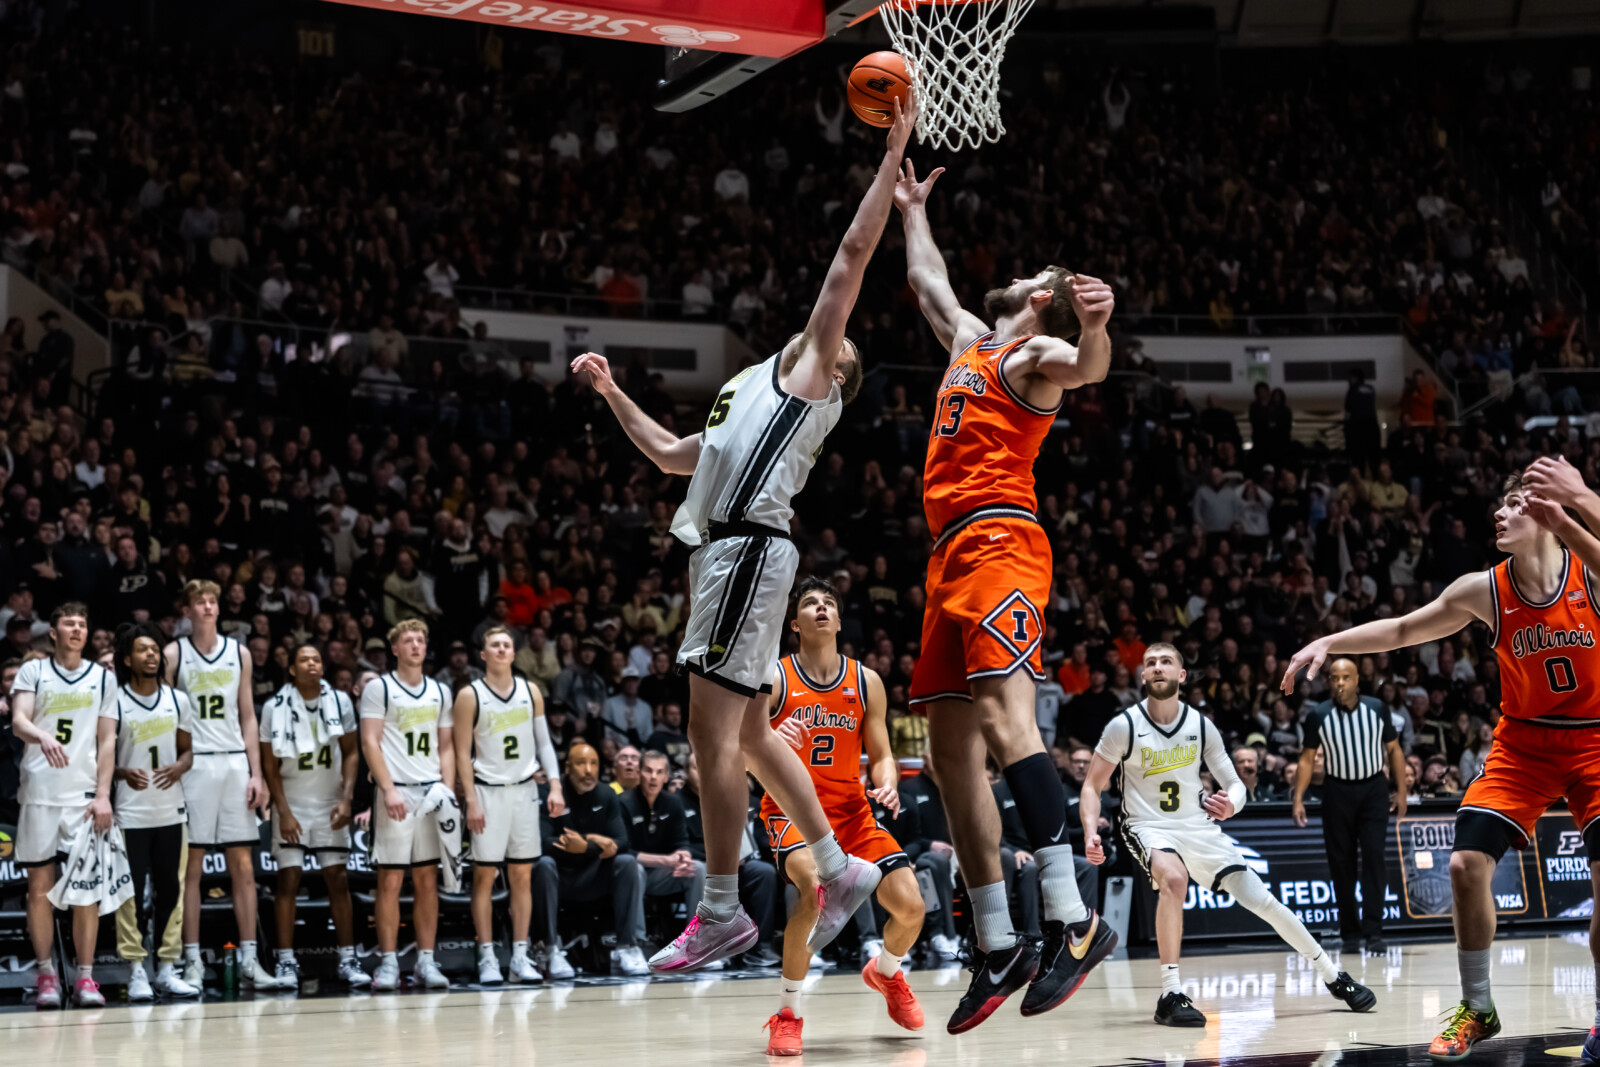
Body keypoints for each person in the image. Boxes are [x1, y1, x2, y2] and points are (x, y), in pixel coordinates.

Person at [568, 99, 918, 975]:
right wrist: (611, 392)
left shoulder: (808, 382)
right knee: (757, 733)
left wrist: (889, 160)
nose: (833, 342)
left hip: (747, 552)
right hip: (735, 552)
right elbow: (670, 455)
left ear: (834, 377)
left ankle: (722, 909)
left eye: (841, 351)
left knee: (709, 738)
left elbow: (850, 259)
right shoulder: (746, 388)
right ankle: (838, 867)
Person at [895, 157, 1120, 1031]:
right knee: (949, 754)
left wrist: (1095, 328)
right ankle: (997, 941)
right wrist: (911, 209)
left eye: (1034, 274)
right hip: (947, 556)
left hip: (1000, 540)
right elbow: (927, 283)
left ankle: (1073, 917)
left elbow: (1087, 369)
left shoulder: (1033, 353)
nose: (1018, 273)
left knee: (1003, 719)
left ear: (1044, 297)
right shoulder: (971, 341)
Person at [1280, 457, 1600, 1061]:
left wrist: (1580, 500)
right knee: (1463, 864)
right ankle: (1477, 1007)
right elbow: (1404, 629)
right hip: (1524, 743)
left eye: (1513, 504)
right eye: (1500, 504)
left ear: (1546, 516)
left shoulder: (1588, 569)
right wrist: (1330, 640)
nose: (1499, 513)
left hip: (1595, 741)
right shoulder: (1485, 589)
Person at [1084, 644, 1374, 1027]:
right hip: (1146, 824)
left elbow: (1236, 785)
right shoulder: (1123, 726)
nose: (1157, 667)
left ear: (1181, 675)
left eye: (1166, 662)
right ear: (1142, 676)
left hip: (1197, 826)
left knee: (1264, 901)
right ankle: (1170, 993)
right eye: (1150, 663)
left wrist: (1231, 805)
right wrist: (1090, 831)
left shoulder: (1200, 725)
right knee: (1175, 878)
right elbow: (1092, 787)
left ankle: (1333, 976)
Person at [758, 578, 925, 1055]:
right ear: (795, 624)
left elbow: (883, 754)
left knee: (912, 907)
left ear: (837, 620)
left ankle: (886, 973)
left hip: (852, 812)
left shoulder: (866, 681)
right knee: (813, 890)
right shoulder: (775, 678)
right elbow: (741, 752)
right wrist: (772, 740)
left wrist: (887, 783)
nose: (821, 608)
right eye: (810, 603)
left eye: (828, 603)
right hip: (791, 811)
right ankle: (787, 1014)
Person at [164, 580, 278, 990]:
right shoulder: (173, 653)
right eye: (201, 602)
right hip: (194, 764)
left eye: (213, 601)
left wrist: (256, 773)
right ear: (187, 610)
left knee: (243, 865)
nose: (209, 607)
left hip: (232, 762)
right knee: (191, 868)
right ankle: (192, 960)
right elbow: (165, 714)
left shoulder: (239, 653)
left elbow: (248, 715)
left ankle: (250, 958)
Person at [11, 602, 117, 1007]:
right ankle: (46, 976)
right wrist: (42, 735)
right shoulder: (33, 671)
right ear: (53, 632)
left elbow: (107, 741)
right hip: (40, 793)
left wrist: (104, 794)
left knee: (85, 892)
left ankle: (85, 978)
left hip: (83, 798)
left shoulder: (103, 678)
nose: (77, 629)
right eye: (69, 624)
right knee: (39, 889)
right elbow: (19, 721)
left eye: (82, 624)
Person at [453, 626, 564, 985]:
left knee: (521, 876)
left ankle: (519, 956)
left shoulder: (531, 691)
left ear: (513, 654)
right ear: (483, 654)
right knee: (484, 876)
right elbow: (461, 753)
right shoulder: (470, 695)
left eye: (506, 645)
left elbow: (544, 743)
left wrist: (555, 784)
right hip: (487, 793)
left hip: (524, 792)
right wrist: (470, 799)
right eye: (495, 645)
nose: (501, 649)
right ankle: (487, 957)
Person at [259, 644, 369, 988]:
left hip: (330, 802)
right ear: (292, 669)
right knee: (288, 879)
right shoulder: (273, 707)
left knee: (337, 878)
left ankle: (348, 959)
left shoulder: (340, 701)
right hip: (291, 801)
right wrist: (283, 811)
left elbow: (351, 753)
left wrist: (346, 799)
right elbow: (269, 766)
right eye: (304, 659)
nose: (312, 664)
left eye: (317, 659)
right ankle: (286, 961)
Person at [359, 618, 456, 991]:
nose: (416, 645)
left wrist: (447, 792)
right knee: (390, 880)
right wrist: (387, 788)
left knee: (428, 880)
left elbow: (445, 746)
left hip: (431, 792)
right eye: (408, 640)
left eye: (420, 640)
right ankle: (388, 963)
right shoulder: (379, 689)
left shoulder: (441, 691)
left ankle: (426, 962)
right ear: (395, 648)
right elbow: (370, 742)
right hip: (396, 792)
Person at [106, 622, 199, 1000]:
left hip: (171, 811)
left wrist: (180, 767)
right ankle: (135, 970)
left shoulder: (178, 700)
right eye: (143, 650)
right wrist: (121, 773)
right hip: (130, 813)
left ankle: (166, 967)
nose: (152, 655)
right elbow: (100, 759)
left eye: (156, 650)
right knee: (128, 895)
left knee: (171, 891)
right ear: (127, 659)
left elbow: (187, 751)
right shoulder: (115, 701)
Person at [1292, 657, 1407, 954]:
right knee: (1341, 863)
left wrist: (1401, 790)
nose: (1340, 682)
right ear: (1329, 681)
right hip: (1337, 791)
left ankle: (1374, 932)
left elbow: (1394, 750)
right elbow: (1306, 759)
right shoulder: (1318, 714)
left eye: (1346, 677)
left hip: (1373, 791)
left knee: (1374, 857)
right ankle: (1350, 933)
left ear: (1357, 680)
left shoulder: (1377, 708)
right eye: (1334, 677)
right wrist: (1298, 797)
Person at [534, 742, 649, 976]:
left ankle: (627, 947)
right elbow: (542, 844)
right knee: (543, 865)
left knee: (627, 863)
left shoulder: (606, 794)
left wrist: (585, 844)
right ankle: (550, 950)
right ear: (567, 768)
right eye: (581, 763)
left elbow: (622, 842)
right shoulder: (549, 793)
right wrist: (594, 843)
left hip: (593, 877)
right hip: (559, 879)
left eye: (594, 764)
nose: (589, 770)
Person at [622, 751, 705, 959]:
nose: (653, 777)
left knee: (697, 869)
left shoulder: (673, 803)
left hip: (661, 876)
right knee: (634, 868)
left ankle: (694, 941)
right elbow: (623, 850)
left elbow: (681, 842)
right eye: (648, 771)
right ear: (639, 772)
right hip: (629, 877)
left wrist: (683, 857)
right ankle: (637, 942)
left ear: (666, 776)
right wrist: (665, 860)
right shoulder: (623, 802)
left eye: (659, 772)